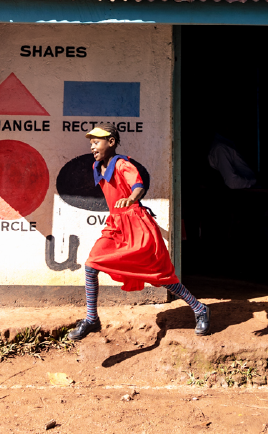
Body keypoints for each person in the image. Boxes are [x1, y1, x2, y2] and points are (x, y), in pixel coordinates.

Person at [69, 123, 210, 340]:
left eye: (96, 142)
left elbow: (138, 185)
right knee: (91, 265)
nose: (92, 147)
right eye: (91, 143)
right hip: (115, 226)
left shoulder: (123, 164)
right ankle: (91, 318)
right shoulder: (96, 167)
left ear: (111, 142)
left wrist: (132, 198)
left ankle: (199, 308)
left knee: (160, 276)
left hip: (137, 226)